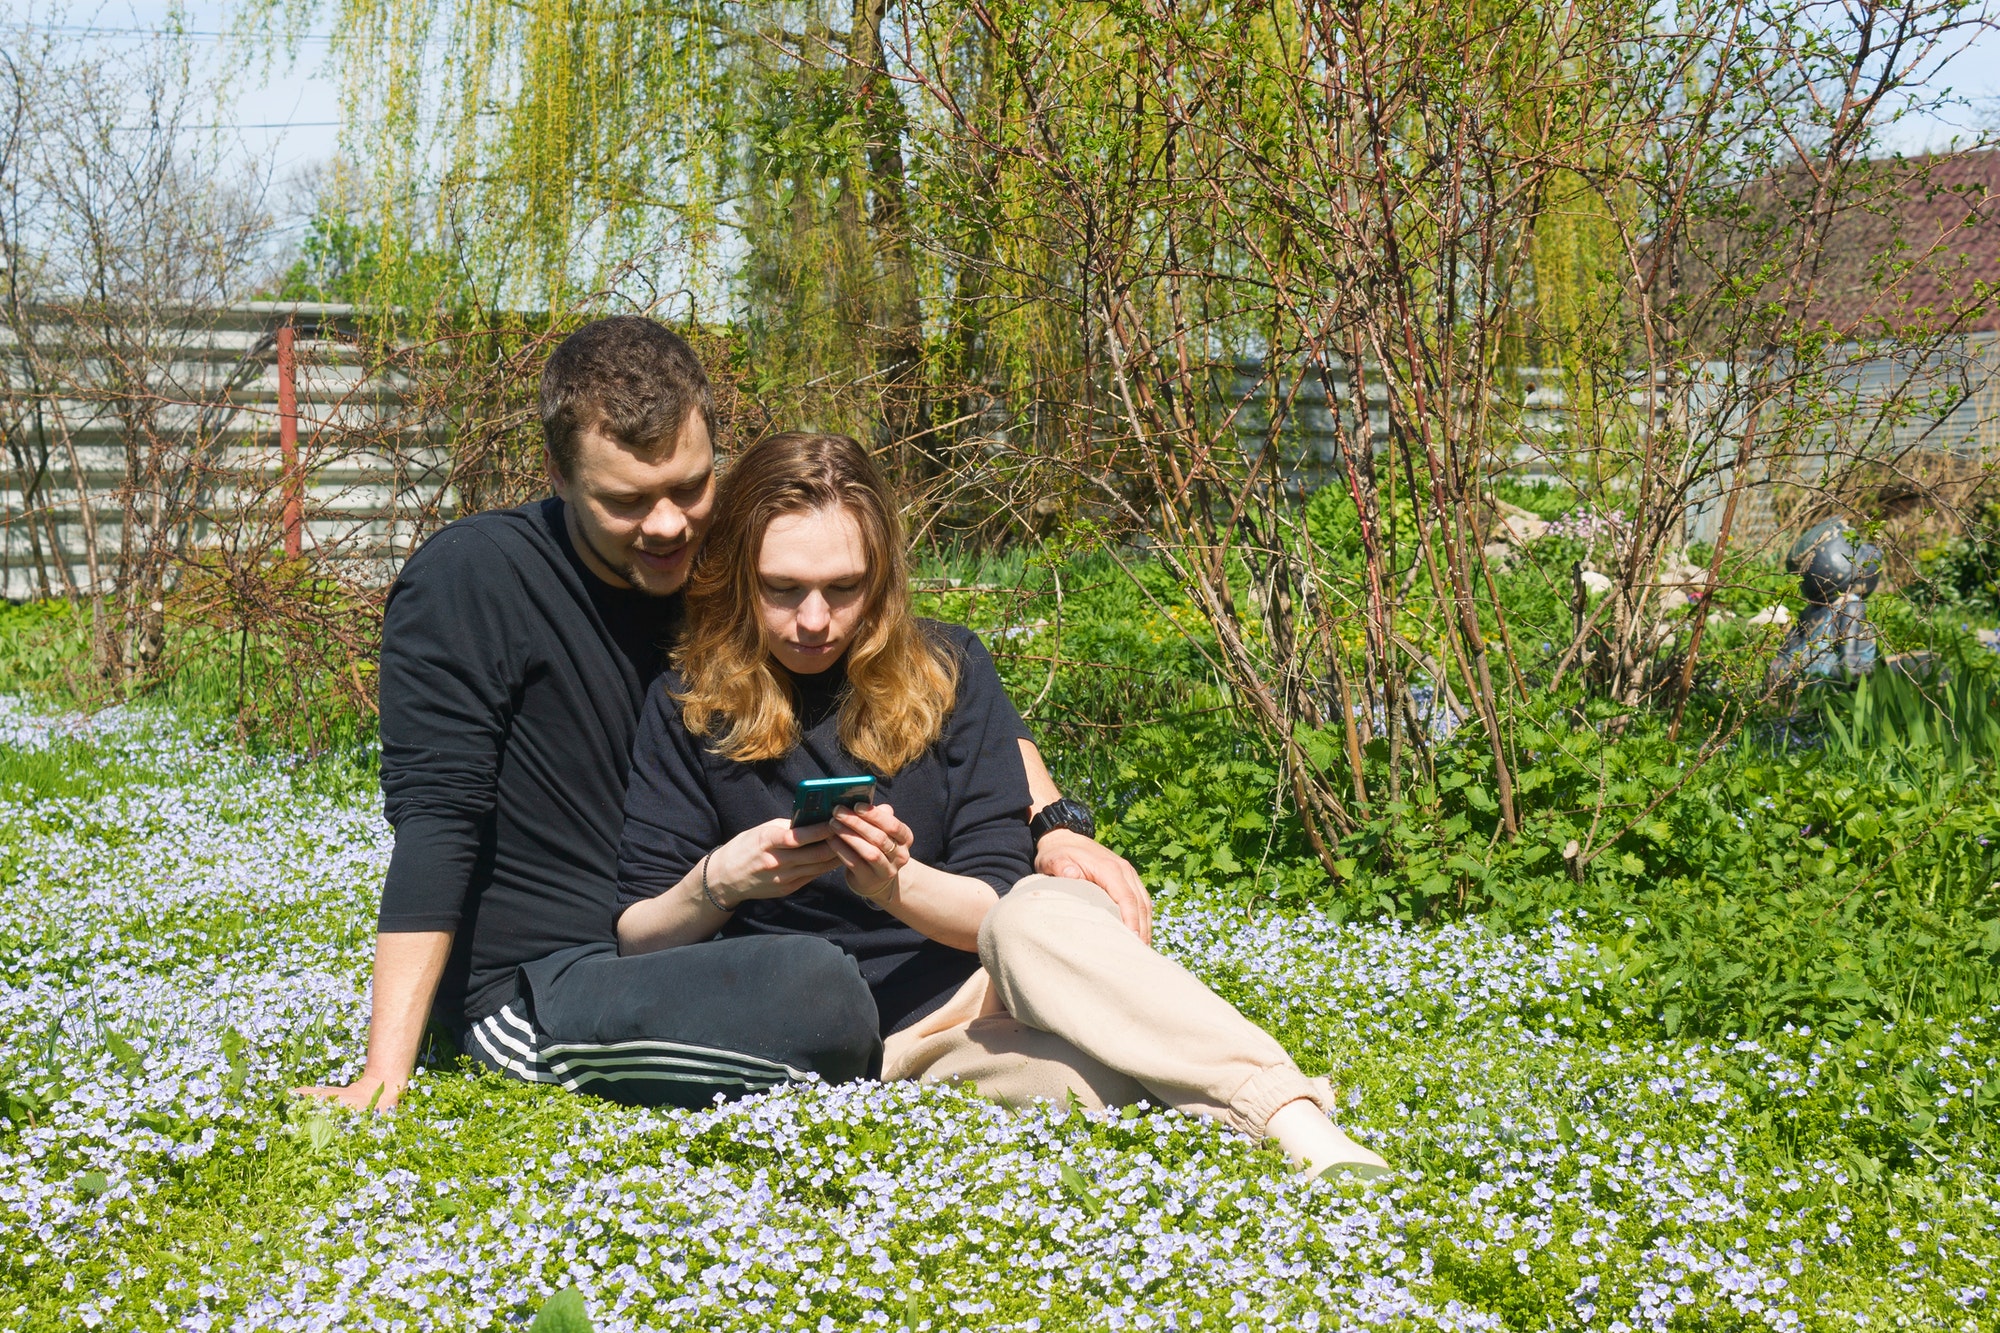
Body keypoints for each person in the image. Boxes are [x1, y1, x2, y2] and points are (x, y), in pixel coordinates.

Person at [299, 317, 1144, 1113]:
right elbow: (436, 822)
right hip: (552, 980)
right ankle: (922, 1035)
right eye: (626, 501)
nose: (666, 525)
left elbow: (917, 665)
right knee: (820, 993)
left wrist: (1054, 822)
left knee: (842, 977)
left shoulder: (729, 561)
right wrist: (385, 1071)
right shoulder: (473, 580)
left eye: (690, 486)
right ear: (558, 477)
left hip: (704, 956)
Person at [613, 431, 1390, 1177]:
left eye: (844, 588)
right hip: (897, 1046)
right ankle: (1225, 1099)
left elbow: (995, 900)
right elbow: (638, 938)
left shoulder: (949, 669)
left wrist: (894, 883)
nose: (815, 619)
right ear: (741, 578)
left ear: (880, 579)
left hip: (992, 975)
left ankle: (1294, 1118)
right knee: (1109, 1087)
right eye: (783, 589)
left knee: (1041, 907)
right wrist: (721, 879)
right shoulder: (689, 702)